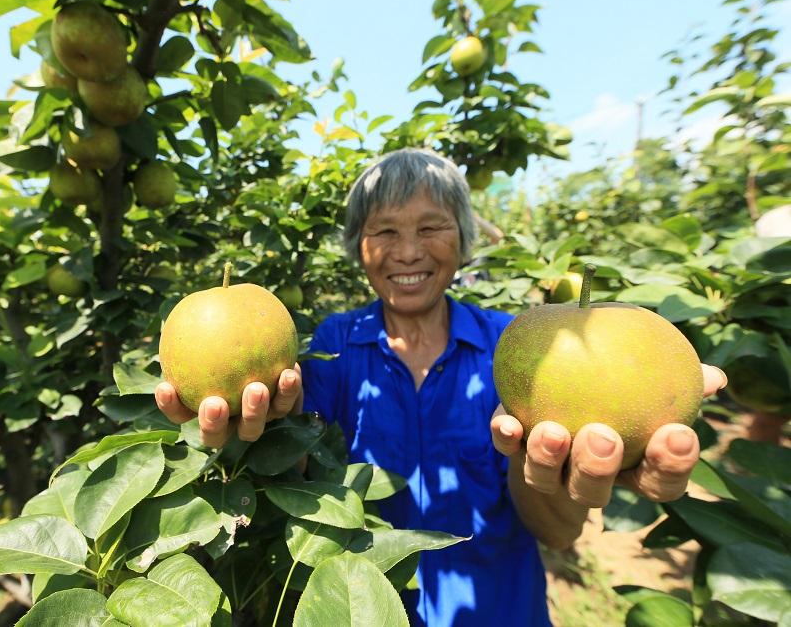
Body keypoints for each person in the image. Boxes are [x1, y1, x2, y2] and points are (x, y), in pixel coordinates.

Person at [155, 148, 727, 626]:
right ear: (360, 247)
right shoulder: (334, 343)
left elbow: (556, 533)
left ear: (463, 238)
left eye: (431, 227)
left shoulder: (520, 351)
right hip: (365, 610)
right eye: (384, 231)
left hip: (498, 610)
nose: (408, 251)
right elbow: (301, 464)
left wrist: (546, 460)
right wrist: (260, 423)